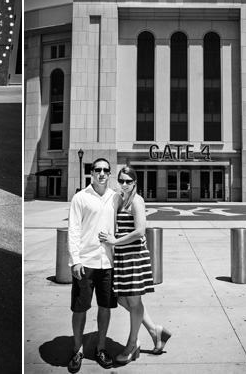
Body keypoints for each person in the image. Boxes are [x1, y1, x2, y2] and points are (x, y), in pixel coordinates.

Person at [98, 166, 171, 364]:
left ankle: (132, 345)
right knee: (123, 299)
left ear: (135, 183)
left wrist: (114, 241)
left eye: (128, 181)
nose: (124, 184)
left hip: (133, 257)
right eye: (121, 180)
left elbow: (140, 231)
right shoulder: (121, 199)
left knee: (134, 302)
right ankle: (155, 331)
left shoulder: (137, 201)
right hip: (123, 257)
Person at [67, 158, 119, 373]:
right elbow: (73, 230)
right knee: (80, 309)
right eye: (98, 169)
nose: (102, 173)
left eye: (106, 170)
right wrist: (75, 260)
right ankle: (77, 350)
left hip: (107, 262)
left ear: (109, 173)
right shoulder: (80, 197)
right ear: (91, 172)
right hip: (86, 262)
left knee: (105, 308)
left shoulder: (116, 197)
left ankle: (100, 348)